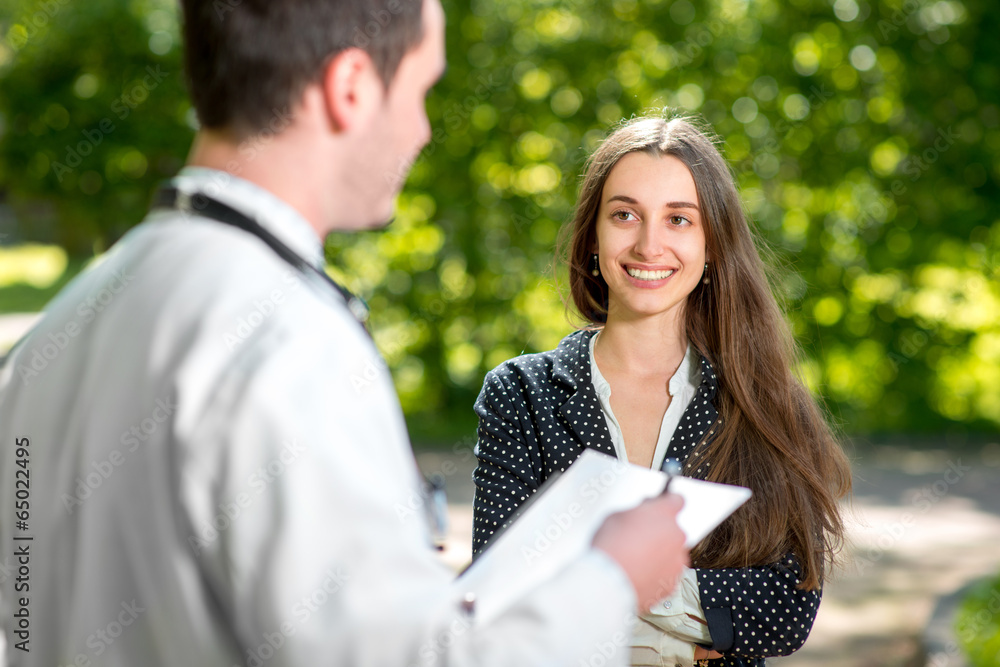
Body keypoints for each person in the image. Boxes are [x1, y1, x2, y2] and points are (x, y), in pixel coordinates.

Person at [0, 1, 691, 665]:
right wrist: (613, 577)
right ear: (351, 88)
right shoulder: (287, 342)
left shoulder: (61, 327)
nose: (422, 129)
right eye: (421, 90)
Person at [471, 115, 853, 666]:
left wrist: (597, 587)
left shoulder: (764, 402)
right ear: (594, 238)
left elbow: (783, 614)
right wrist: (697, 636)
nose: (649, 244)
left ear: (712, 245)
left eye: (679, 219)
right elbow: (501, 601)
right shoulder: (522, 395)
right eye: (625, 215)